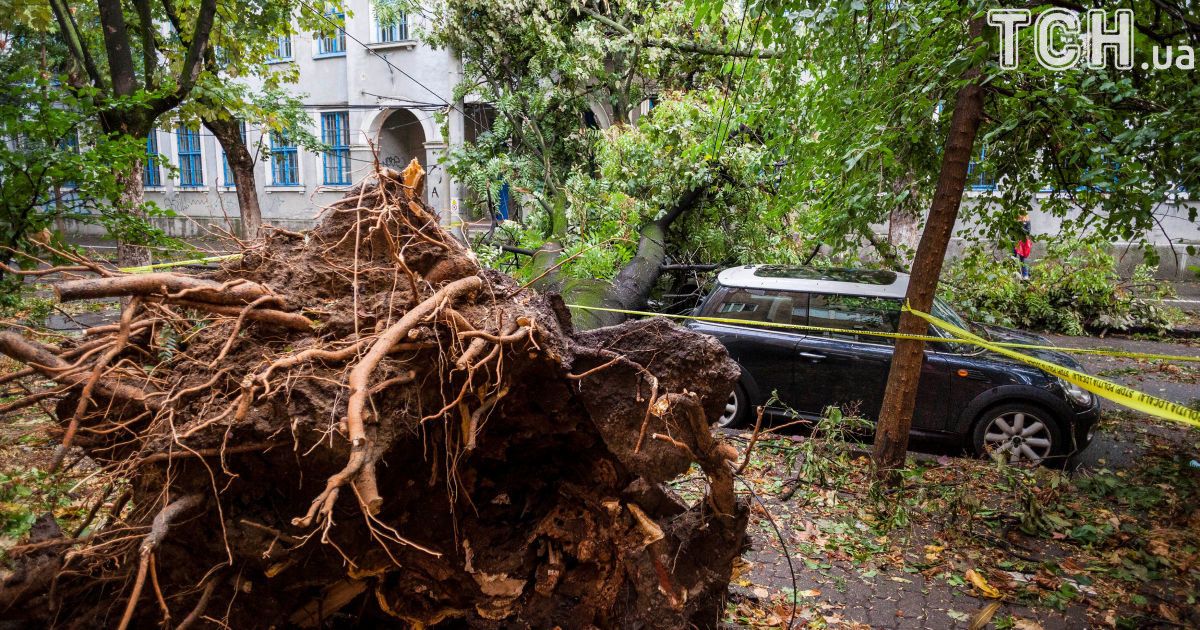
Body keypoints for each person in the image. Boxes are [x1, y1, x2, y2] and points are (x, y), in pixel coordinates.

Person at [1013, 214, 1033, 280]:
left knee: (1023, 259)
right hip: (1015, 241)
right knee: (1013, 258)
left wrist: (1021, 227)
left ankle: (1025, 275)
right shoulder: (1014, 221)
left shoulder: (1027, 221)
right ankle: (1013, 275)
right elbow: (1010, 231)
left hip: (1023, 243)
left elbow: (1028, 231)